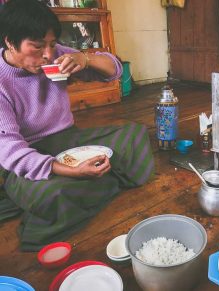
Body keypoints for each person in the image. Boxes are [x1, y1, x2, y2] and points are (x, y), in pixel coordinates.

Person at [0, 0, 154, 251]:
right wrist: (71, 171)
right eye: (37, 47)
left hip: (69, 139)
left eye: (51, 44)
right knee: (53, 194)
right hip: (28, 154)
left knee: (134, 135)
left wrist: (84, 59)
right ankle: (101, 181)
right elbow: (9, 151)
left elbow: (114, 70)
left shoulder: (56, 54)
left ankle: (89, 186)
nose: (48, 54)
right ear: (9, 41)